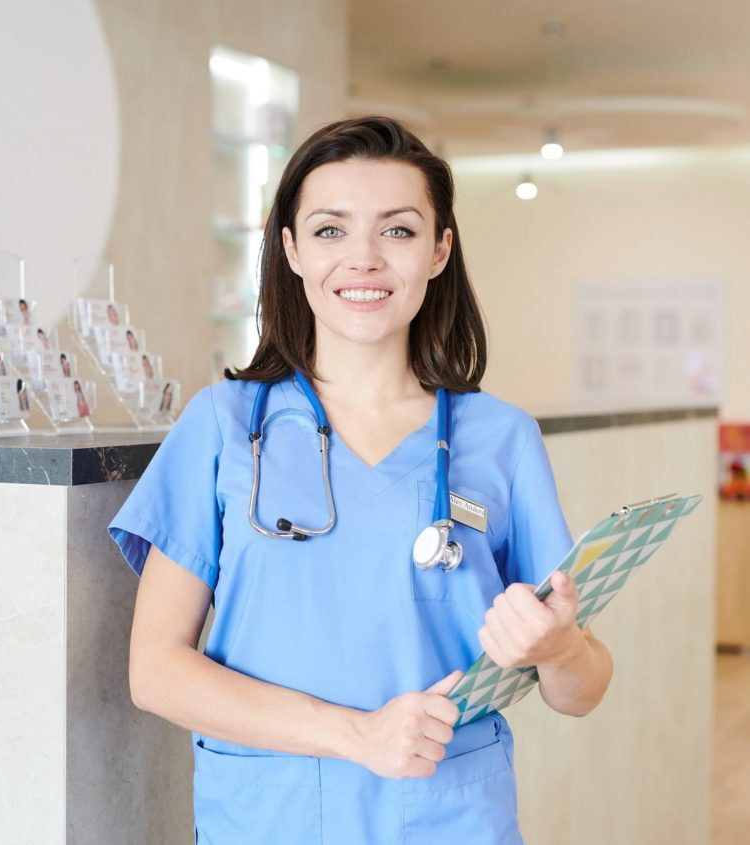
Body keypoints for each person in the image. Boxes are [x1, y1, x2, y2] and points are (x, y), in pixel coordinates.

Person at [108, 116, 613, 844]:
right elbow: (155, 670)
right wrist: (356, 734)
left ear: (440, 250)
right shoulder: (222, 425)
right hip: (268, 817)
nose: (364, 259)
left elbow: (581, 689)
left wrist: (561, 647)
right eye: (330, 230)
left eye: (399, 231)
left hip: (448, 817)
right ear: (289, 248)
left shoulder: (501, 438)